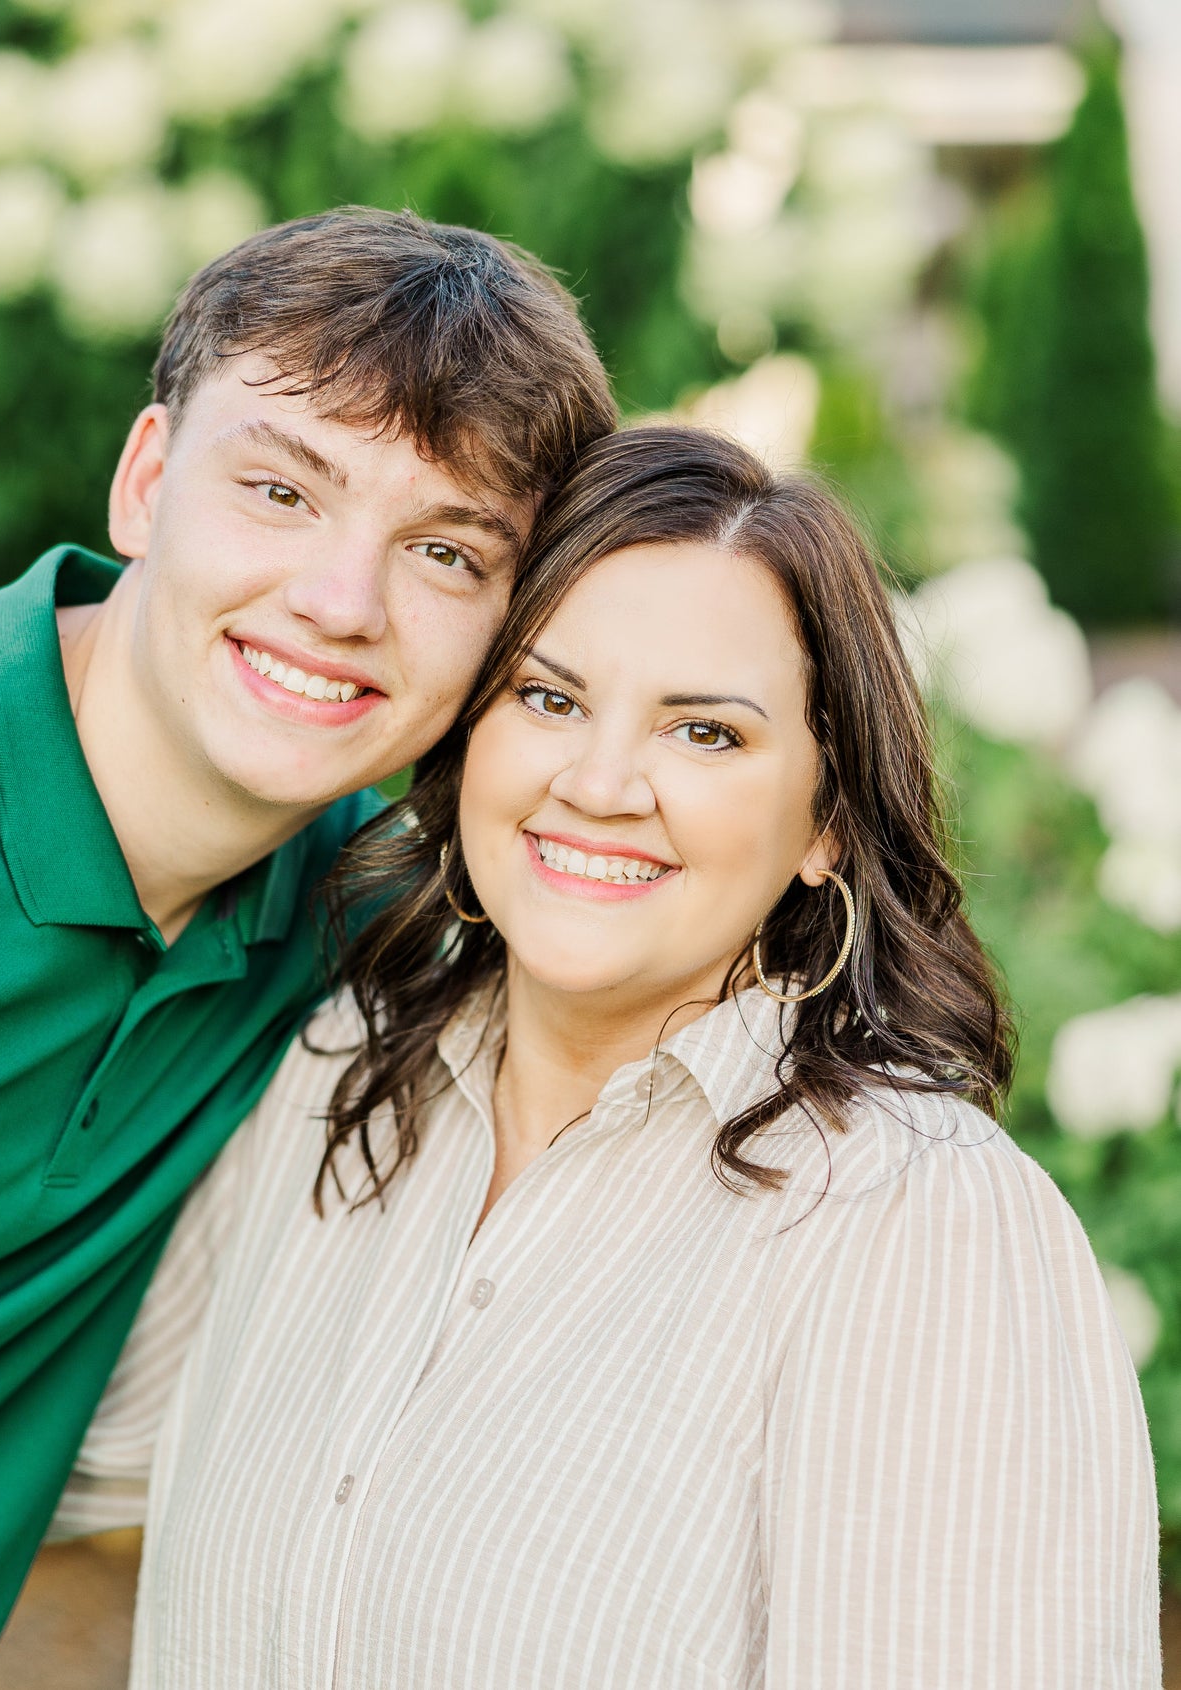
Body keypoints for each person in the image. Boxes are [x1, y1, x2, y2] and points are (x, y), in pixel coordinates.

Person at [60, 426, 1161, 1688]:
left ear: (827, 821)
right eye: (550, 697)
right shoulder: (337, 1074)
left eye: (706, 734)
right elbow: (50, 1453)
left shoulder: (918, 1228)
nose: (599, 782)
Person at [0, 209, 616, 1690]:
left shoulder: (375, 930)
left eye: (444, 552)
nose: (341, 602)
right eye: (280, 489)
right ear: (145, 480)